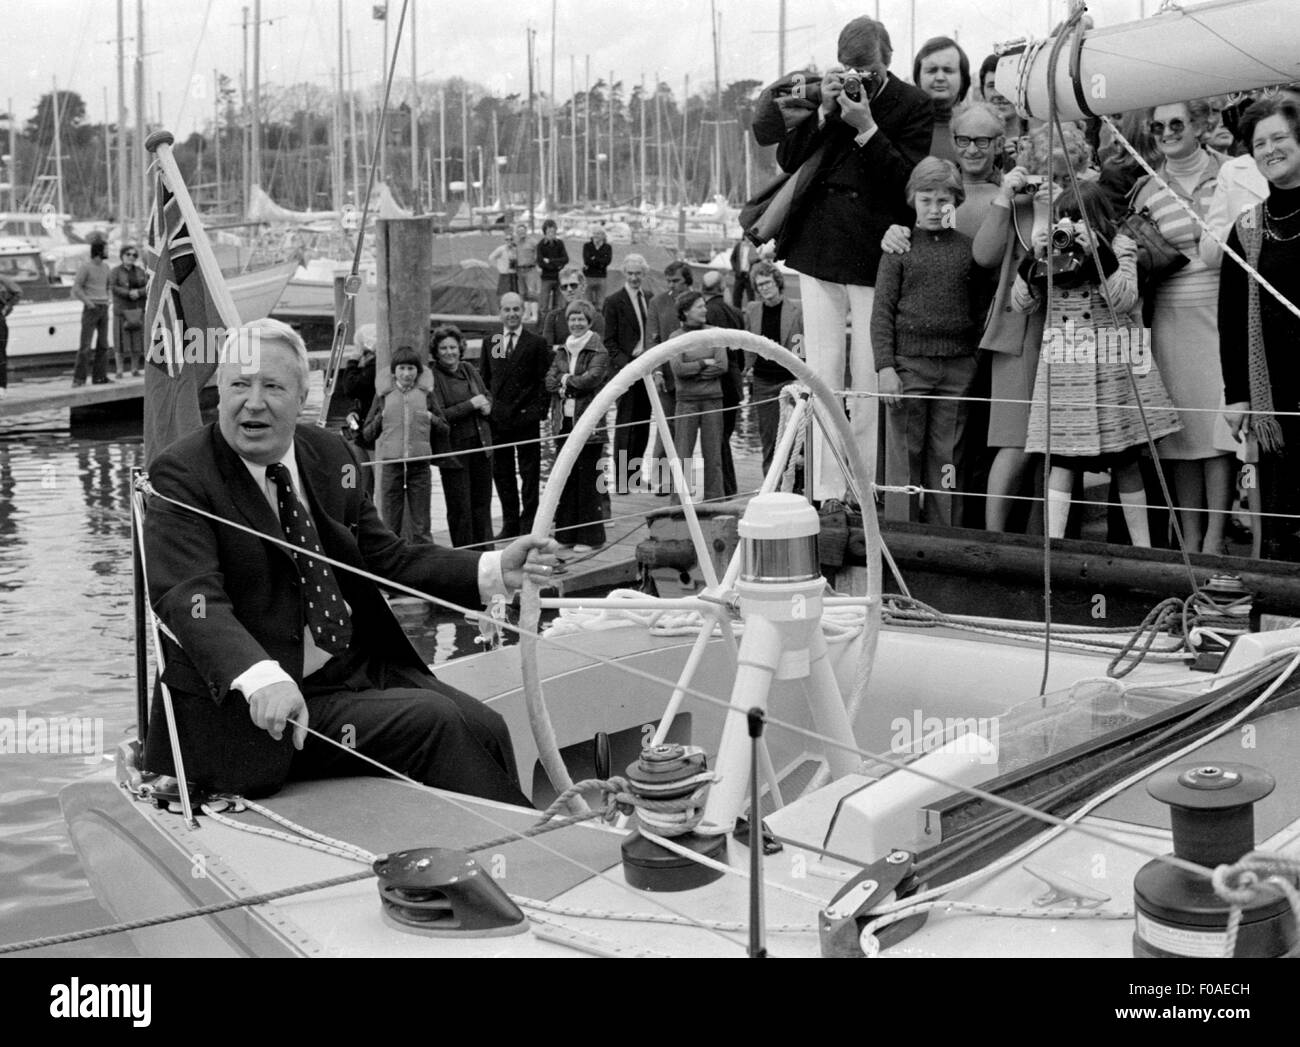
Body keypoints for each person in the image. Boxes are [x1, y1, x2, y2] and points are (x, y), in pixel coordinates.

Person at [141, 317, 557, 803]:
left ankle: (517, 844)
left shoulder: (329, 453)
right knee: (436, 724)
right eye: (238, 385)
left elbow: (385, 559)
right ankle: (527, 857)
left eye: (272, 386)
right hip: (260, 704)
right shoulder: (182, 473)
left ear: (303, 398)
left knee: (485, 723)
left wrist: (491, 568)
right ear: (219, 393)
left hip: (349, 668)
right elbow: (190, 597)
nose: (252, 402)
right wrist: (261, 677)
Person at [751, 14, 932, 505]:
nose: (860, 81)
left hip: (876, 250)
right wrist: (826, 113)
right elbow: (789, 160)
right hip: (820, 247)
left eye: (868, 72)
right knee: (822, 372)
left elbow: (907, 182)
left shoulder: (913, 105)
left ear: (888, 59)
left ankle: (864, 486)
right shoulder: (829, 99)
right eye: (851, 71)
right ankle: (827, 488)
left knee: (871, 371)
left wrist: (868, 128)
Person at [1013, 181, 1182, 544]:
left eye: (1079, 218)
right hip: (1066, 364)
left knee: (1126, 458)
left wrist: (1100, 255)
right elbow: (1021, 304)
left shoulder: (1119, 245)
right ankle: (1053, 545)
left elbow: (1125, 300)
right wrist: (1032, 259)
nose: (1070, 226)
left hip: (1114, 365)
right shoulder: (1051, 250)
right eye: (1065, 218)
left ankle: (1143, 549)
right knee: (1061, 457)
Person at [1132, 99, 1233, 554]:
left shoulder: (1232, 174)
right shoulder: (1146, 188)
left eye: (1177, 124)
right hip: (1171, 314)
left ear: (1199, 125)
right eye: (1158, 127)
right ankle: (1188, 538)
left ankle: (1216, 535)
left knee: (1222, 430)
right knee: (1182, 436)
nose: (1167, 133)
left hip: (1223, 308)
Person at [872, 158, 980, 526]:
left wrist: (973, 358)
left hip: (956, 369)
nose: (935, 210)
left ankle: (945, 532)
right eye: (926, 201)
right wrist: (885, 366)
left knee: (948, 458)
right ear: (913, 201)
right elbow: (882, 312)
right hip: (908, 368)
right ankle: (902, 532)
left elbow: (980, 307)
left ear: (956, 202)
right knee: (905, 454)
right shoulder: (899, 248)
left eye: (943, 202)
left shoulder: (968, 249)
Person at [1219, 95, 1300, 561]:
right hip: (1276, 404)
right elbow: (1230, 317)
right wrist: (1236, 394)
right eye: (1259, 143)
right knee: (1282, 531)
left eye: (1280, 138)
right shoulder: (1246, 227)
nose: (1269, 149)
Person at [480, 293, 551, 540]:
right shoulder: (494, 342)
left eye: (516, 309)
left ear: (523, 312)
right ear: (500, 312)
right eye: (507, 310)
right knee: (503, 473)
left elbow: (543, 382)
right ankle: (510, 521)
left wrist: (538, 412)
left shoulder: (536, 343)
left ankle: (529, 522)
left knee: (530, 473)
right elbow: (487, 380)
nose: (511, 314)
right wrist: (490, 410)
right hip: (499, 420)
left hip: (526, 419)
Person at [546, 299, 608, 551]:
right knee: (566, 478)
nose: (576, 323)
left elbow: (591, 379)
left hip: (588, 425)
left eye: (581, 318)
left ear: (589, 321)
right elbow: (548, 381)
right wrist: (566, 381)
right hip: (564, 423)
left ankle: (590, 538)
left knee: (587, 480)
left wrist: (564, 382)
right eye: (572, 318)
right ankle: (565, 536)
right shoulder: (563, 350)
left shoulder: (598, 350)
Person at [362, 345, 440, 544]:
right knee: (389, 525)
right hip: (391, 466)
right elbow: (367, 434)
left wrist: (431, 418)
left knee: (422, 527)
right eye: (402, 368)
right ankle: (392, 567)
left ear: (418, 371)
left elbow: (445, 428)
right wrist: (382, 417)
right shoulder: (382, 396)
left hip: (419, 466)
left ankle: (426, 567)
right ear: (394, 371)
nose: (406, 373)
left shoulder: (427, 395)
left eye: (411, 368)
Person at [429, 324, 494, 549]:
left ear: (460, 348)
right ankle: (465, 556)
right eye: (444, 348)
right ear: (436, 351)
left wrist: (487, 406)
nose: (449, 352)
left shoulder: (468, 369)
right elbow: (441, 414)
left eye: (453, 347)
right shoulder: (433, 376)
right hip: (455, 452)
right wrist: (471, 404)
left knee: (482, 505)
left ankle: (486, 554)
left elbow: (485, 395)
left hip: (481, 446)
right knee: (460, 508)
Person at [743, 261, 804, 479]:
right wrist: (748, 367)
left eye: (767, 283)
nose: (764, 288)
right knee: (768, 436)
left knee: (795, 434)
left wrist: (800, 375)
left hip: (789, 380)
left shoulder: (796, 311)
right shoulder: (752, 310)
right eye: (759, 285)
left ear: (777, 282)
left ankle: (794, 481)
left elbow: (800, 346)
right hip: (763, 382)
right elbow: (749, 343)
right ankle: (770, 482)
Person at [668, 291, 727, 504]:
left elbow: (722, 365)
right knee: (682, 454)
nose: (705, 309)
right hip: (686, 402)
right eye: (699, 306)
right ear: (686, 311)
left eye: (704, 305)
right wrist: (703, 364)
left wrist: (693, 371)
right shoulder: (675, 338)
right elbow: (678, 369)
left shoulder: (715, 333)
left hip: (713, 399)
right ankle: (679, 503)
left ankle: (715, 502)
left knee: (713, 456)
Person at [603, 253, 653, 495]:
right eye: (630, 274)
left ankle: (635, 476)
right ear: (625, 274)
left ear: (644, 274)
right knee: (625, 425)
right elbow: (609, 342)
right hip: (627, 367)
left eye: (638, 274)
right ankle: (622, 479)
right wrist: (627, 367)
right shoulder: (613, 302)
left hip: (648, 367)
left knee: (643, 423)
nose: (634, 278)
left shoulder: (649, 298)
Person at [645, 261, 693, 494]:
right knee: (665, 428)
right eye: (669, 281)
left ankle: (682, 481)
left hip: (691, 375)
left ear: (688, 281)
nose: (672, 285)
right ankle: (661, 479)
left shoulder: (697, 303)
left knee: (687, 429)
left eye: (677, 281)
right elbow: (651, 340)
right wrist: (655, 371)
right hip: (665, 375)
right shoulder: (657, 302)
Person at [701, 268, 744, 497]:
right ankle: (728, 486)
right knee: (724, 437)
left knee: (716, 439)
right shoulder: (736, 313)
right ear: (722, 288)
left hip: (714, 383)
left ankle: (722, 488)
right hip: (733, 384)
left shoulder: (703, 313)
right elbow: (743, 352)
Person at [913, 36, 971, 164]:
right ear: (918, 78)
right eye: (932, 70)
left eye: (948, 70)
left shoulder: (976, 128)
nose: (940, 77)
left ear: (963, 79)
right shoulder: (903, 127)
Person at [72, 239, 112, 386]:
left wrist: (109, 299)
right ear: (99, 251)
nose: (108, 252)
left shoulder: (106, 267)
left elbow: (108, 286)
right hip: (91, 309)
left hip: (104, 308)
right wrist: (89, 303)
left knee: (103, 344)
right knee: (85, 345)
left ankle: (99, 377)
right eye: (106, 249)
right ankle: (79, 379)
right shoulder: (85, 268)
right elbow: (76, 288)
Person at [978, 53, 1024, 169]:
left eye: (1007, 84)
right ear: (982, 91)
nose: (999, 93)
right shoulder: (971, 141)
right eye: (992, 86)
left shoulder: (1039, 137)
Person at [110, 243, 148, 377]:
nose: (131, 257)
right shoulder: (115, 271)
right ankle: (119, 370)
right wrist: (128, 293)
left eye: (134, 255)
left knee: (137, 341)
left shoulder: (140, 271)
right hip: (122, 311)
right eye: (128, 254)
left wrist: (139, 292)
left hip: (137, 310)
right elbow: (113, 287)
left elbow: (148, 286)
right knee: (120, 342)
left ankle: (134, 369)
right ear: (122, 256)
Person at [542, 267, 605, 345]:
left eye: (573, 285)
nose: (569, 290)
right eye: (564, 287)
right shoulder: (553, 317)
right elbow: (547, 348)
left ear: (583, 287)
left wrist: (559, 348)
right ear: (561, 291)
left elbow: (597, 348)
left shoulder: (596, 317)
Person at [537, 219, 569, 316]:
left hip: (559, 278)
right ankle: (542, 329)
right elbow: (541, 263)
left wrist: (550, 261)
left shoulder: (560, 243)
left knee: (559, 305)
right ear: (545, 232)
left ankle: (557, 327)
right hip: (546, 278)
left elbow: (565, 259)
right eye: (549, 232)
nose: (552, 234)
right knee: (544, 305)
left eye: (553, 231)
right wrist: (557, 265)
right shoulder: (541, 245)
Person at [0, 271, 20, 400]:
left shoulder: (2, 279)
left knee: (0, 353)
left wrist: (7, 307)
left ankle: (1, 386)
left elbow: (17, 292)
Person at [581, 225, 612, 309]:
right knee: (587, 302)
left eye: (598, 234)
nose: (595, 236)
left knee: (600, 303)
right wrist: (600, 259)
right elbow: (587, 260)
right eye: (594, 233)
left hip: (601, 277)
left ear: (603, 235)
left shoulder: (608, 247)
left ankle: (599, 320)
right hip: (588, 277)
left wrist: (594, 258)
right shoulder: (587, 246)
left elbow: (607, 261)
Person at [487, 227, 518, 297]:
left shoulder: (515, 249)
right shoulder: (501, 249)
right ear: (505, 240)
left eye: (511, 239)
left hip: (514, 275)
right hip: (505, 275)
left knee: (514, 294)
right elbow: (491, 258)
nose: (509, 241)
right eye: (507, 239)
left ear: (513, 240)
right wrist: (498, 267)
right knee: (504, 295)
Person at [514, 223, 539, 308]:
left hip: (530, 270)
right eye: (519, 231)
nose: (521, 233)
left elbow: (538, 254)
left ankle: (534, 314)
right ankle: (525, 313)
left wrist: (535, 263)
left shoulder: (533, 242)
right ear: (517, 233)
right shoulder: (516, 243)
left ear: (526, 231)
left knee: (531, 292)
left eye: (523, 231)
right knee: (522, 292)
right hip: (519, 271)